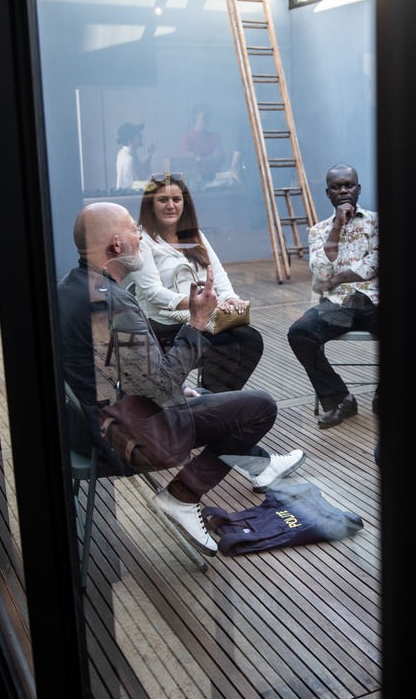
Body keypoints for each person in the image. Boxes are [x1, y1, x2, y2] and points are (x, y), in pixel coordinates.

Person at [58, 202, 304, 556]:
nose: (139, 236)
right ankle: (181, 497)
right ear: (115, 245)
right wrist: (198, 321)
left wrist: (173, 387)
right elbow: (158, 387)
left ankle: (258, 465)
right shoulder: (115, 305)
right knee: (259, 407)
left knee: (202, 392)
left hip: (86, 426)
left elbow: (108, 369)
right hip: (126, 441)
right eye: (132, 230)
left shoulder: (70, 288)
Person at [125, 173, 264, 392]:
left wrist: (230, 297)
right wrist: (195, 304)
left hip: (199, 316)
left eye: (176, 200)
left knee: (251, 340)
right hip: (163, 322)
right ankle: (212, 402)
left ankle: (216, 400)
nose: (171, 206)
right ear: (151, 205)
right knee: (224, 346)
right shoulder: (144, 242)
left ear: (185, 203)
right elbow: (152, 292)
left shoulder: (194, 235)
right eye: (163, 200)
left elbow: (216, 271)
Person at [287, 164, 379, 428]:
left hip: (375, 301)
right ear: (328, 194)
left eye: (348, 185)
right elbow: (320, 269)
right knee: (300, 334)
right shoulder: (318, 231)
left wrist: (337, 278)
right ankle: (340, 399)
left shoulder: (376, 222)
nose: (343, 191)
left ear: (358, 188)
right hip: (338, 304)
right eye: (336, 187)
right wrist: (337, 227)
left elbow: (375, 263)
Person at [181, 104, 241, 187]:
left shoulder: (214, 136)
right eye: (205, 116)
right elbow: (189, 164)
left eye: (209, 116)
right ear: (196, 116)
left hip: (217, 178)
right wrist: (211, 159)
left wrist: (202, 159)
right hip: (198, 181)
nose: (208, 119)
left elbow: (220, 160)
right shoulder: (188, 138)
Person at [115, 122, 155, 191]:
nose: (141, 135)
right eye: (137, 133)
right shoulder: (129, 159)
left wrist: (149, 155)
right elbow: (134, 185)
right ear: (130, 140)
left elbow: (142, 173)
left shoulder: (123, 153)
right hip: (129, 200)